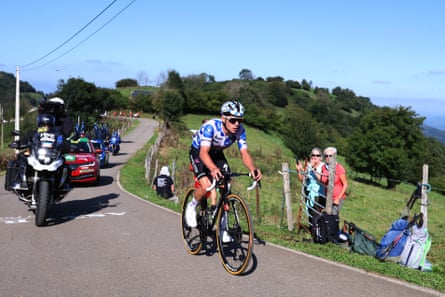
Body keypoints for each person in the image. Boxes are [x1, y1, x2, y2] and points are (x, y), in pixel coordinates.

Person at [186, 100, 262, 242]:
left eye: (240, 120)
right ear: (223, 119)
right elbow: (203, 153)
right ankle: (191, 206)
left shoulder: (240, 130)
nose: (237, 124)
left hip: (216, 153)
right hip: (199, 152)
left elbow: (244, 153)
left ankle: (222, 229)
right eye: (233, 120)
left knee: (225, 187)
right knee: (206, 185)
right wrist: (213, 168)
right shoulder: (211, 127)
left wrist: (253, 169)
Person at [296, 147, 326, 220]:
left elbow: (322, 180)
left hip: (319, 194)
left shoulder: (323, 166)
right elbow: (302, 179)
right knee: (310, 213)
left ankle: (317, 230)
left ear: (321, 157)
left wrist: (313, 168)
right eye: (313, 155)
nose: (315, 157)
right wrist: (299, 170)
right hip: (309, 192)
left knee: (316, 214)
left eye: (317, 155)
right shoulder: (309, 166)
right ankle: (311, 229)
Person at [319, 147, 348, 216]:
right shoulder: (323, 167)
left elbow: (345, 184)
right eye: (326, 156)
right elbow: (322, 181)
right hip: (327, 197)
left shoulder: (339, 168)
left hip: (337, 198)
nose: (328, 157)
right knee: (326, 216)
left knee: (333, 216)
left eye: (330, 156)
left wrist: (338, 198)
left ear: (334, 156)